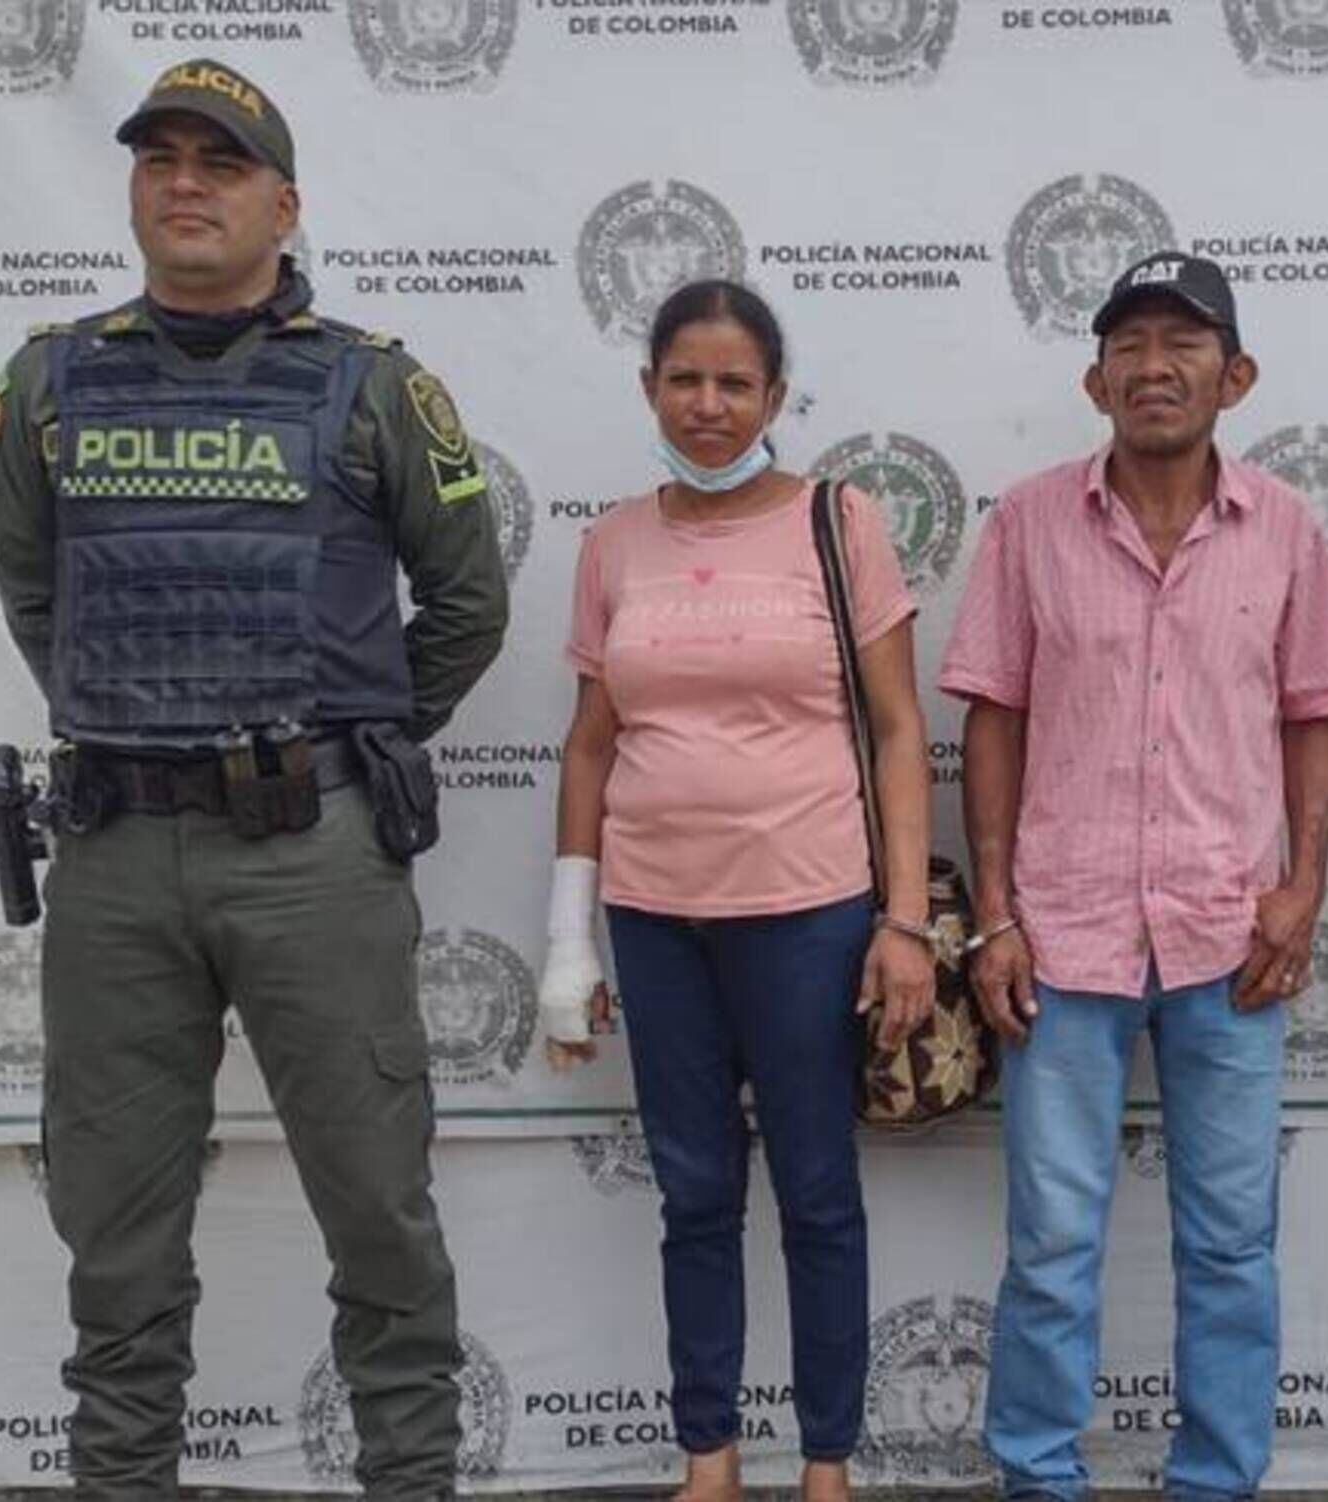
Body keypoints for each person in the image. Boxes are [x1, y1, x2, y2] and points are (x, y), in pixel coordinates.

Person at [0, 57, 508, 1500]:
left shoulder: (376, 384)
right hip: (114, 858)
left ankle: (409, 1479)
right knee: (116, 1229)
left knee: (380, 1219)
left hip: (313, 853)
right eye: (160, 158)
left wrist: (347, 743)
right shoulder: (44, 383)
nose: (186, 183)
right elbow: (40, 604)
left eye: (220, 162)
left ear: (286, 202)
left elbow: (466, 608)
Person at [938, 251, 1328, 1501]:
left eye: (1183, 341)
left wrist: (1303, 888)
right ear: (1093, 378)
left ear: (1233, 375)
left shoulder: (1283, 525)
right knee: (1052, 1241)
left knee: (1231, 1242)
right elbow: (994, 719)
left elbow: (1312, 715)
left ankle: (1214, 1480)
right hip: (1061, 938)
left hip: (1229, 935)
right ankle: (1036, 1476)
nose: (1153, 364)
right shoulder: (1026, 521)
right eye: (1127, 343)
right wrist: (997, 915)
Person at [540, 278, 935, 1502]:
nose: (707, 405)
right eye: (683, 380)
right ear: (649, 386)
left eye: (734, 383)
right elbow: (591, 744)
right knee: (695, 1193)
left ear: (772, 393)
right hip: (657, 920)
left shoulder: (838, 520)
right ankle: (706, 1454)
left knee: (816, 1192)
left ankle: (827, 1462)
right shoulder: (613, 542)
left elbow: (894, 725)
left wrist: (905, 920)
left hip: (810, 912)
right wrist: (571, 941)